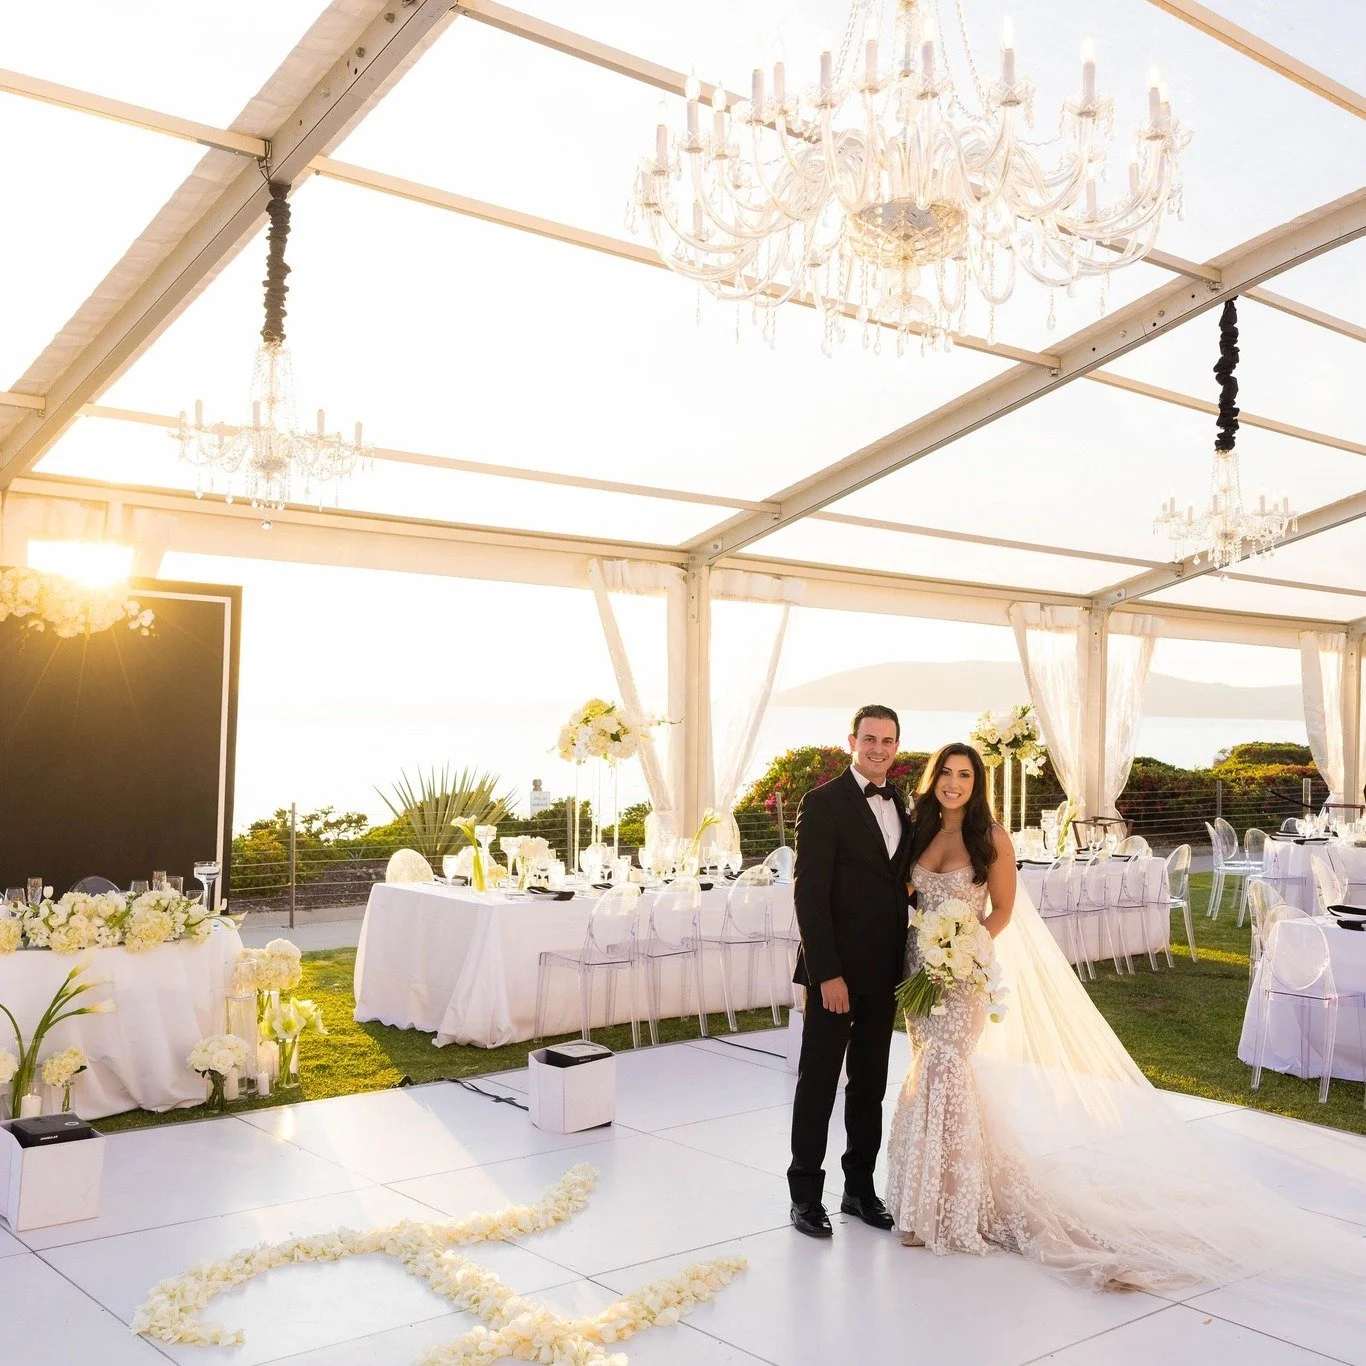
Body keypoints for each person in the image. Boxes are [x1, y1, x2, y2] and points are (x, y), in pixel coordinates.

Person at [883, 740, 1366, 1311]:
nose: (954, 783)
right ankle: (924, 1197)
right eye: (947, 773)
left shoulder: (991, 838)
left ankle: (951, 1207)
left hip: (964, 971)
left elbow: (1004, 910)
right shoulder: (916, 831)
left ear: (976, 783)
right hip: (921, 969)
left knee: (947, 1070)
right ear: (933, 779)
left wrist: (962, 951)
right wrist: (925, 947)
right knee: (925, 1068)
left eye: (965, 775)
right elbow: (904, 895)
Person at [787, 704, 912, 1239]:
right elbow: (809, 896)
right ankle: (805, 1200)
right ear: (851, 741)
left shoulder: (903, 804)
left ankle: (859, 1189)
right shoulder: (822, 804)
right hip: (834, 975)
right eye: (869, 739)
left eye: (887, 740)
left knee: (870, 1085)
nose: (878, 748)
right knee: (818, 1083)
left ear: (897, 747)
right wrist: (826, 974)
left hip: (884, 973)